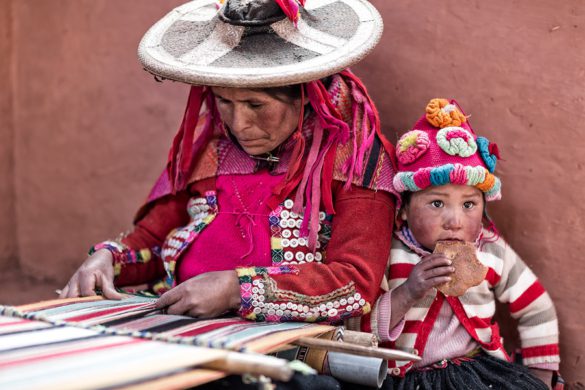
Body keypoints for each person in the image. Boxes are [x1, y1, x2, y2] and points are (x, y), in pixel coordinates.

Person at [60, 0, 398, 332]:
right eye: (224, 101)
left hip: (282, 347)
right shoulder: (211, 151)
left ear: (308, 97)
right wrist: (108, 260)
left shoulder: (354, 161)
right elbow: (153, 239)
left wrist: (236, 290)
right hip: (176, 330)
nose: (239, 123)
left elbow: (354, 283)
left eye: (255, 104)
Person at [364, 98, 562, 389]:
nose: (454, 221)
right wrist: (408, 292)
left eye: (469, 204)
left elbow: (536, 306)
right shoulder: (390, 253)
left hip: (475, 371)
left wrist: (542, 373)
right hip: (404, 378)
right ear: (403, 209)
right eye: (436, 203)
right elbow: (360, 325)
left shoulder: (490, 250)